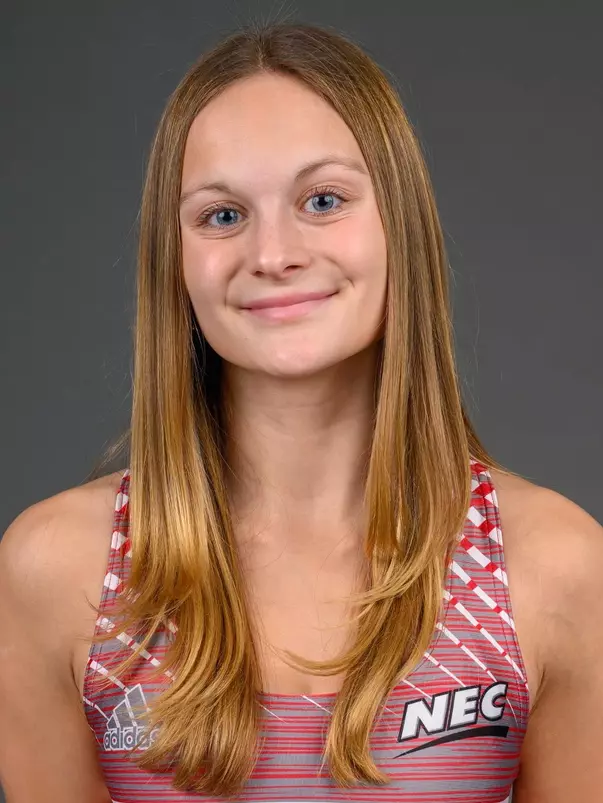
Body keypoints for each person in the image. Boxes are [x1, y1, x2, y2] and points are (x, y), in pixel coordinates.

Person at [1, 20, 602, 803]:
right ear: (173, 257)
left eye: (322, 200)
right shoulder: (57, 570)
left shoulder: (554, 567)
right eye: (222, 215)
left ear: (399, 227)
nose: (272, 253)